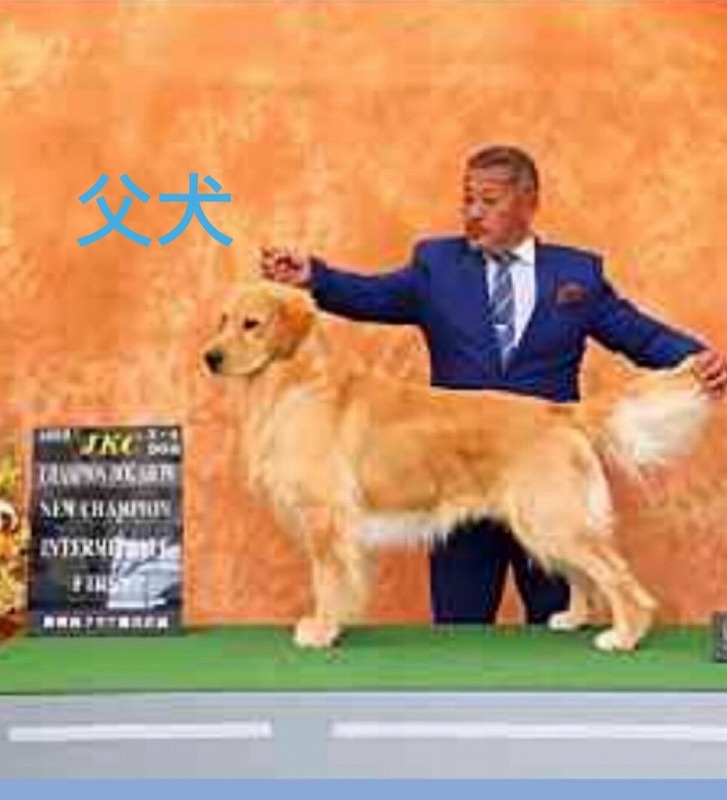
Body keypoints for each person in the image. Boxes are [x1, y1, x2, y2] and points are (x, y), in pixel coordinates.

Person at [260, 144, 727, 627]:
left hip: (541, 459)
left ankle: (601, 614)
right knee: (459, 630)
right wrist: (315, 277)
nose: (473, 213)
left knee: (556, 627)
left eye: (489, 201)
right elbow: (370, 295)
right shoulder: (435, 265)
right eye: (468, 200)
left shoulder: (576, 274)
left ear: (528, 202)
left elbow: (639, 334)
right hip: (449, 470)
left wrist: (696, 360)